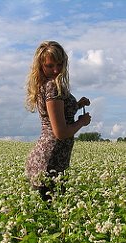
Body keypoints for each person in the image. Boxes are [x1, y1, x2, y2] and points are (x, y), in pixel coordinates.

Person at [25, 41, 91, 201]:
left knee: (49, 214)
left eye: (59, 64)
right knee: (52, 215)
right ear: (41, 66)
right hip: (50, 163)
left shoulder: (44, 86)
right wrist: (82, 122)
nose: (56, 70)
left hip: (46, 161)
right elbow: (60, 132)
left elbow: (57, 113)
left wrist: (76, 105)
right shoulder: (52, 87)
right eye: (50, 65)